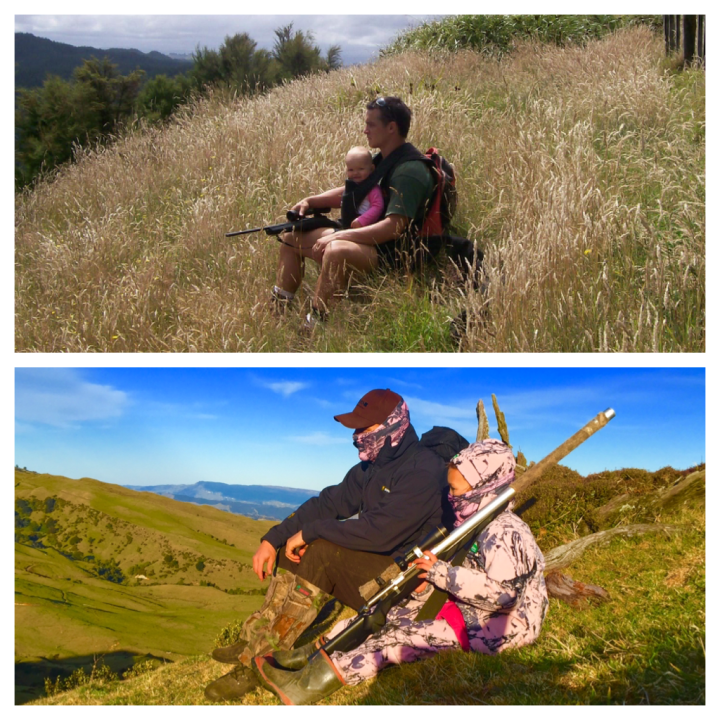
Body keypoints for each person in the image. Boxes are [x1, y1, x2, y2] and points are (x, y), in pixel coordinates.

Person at [252, 439, 549, 706]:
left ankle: (308, 685)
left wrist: (440, 574)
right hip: (470, 607)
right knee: (387, 612)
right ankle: (312, 655)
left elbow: (504, 595)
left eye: (456, 490)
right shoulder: (478, 518)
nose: (451, 497)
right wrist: (432, 581)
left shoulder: (505, 531)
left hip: (503, 627)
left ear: (484, 487)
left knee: (404, 640)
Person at [204, 388, 455, 702]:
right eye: (355, 427)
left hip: (410, 584)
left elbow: (379, 533)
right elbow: (326, 504)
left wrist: (311, 533)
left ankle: (257, 665)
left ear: (393, 428)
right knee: (292, 548)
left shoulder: (423, 471)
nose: (356, 435)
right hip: (381, 565)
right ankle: (255, 640)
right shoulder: (371, 467)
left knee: (320, 550)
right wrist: (272, 539)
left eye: (364, 428)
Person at [270, 96, 435, 330]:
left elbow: (394, 227)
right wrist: (310, 201)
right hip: (368, 241)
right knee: (291, 238)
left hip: (392, 254)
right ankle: (279, 308)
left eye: (371, 124)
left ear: (391, 128)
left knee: (336, 250)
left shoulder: (409, 170)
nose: (365, 130)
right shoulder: (384, 160)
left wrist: (338, 236)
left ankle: (314, 327)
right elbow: (356, 192)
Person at [344, 146, 384, 229]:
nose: (356, 173)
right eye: (351, 170)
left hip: (365, 226)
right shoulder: (352, 186)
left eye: (361, 169)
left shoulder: (372, 189)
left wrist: (362, 220)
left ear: (371, 168)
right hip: (351, 223)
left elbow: (378, 206)